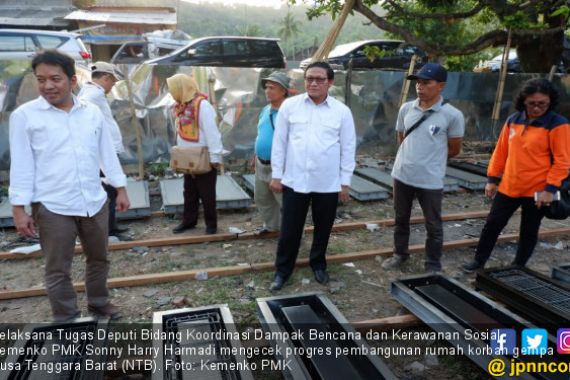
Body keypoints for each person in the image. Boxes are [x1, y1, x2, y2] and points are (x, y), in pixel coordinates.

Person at [9, 50, 130, 321]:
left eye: (55, 79)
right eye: (41, 79)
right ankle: (66, 318)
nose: (48, 86)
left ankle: (99, 303)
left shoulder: (92, 113)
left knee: (99, 258)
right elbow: (22, 165)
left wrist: (119, 187)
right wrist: (19, 208)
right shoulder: (25, 117)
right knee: (57, 268)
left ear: (73, 80)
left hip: (94, 199)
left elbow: (105, 154)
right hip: (53, 205)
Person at [462, 79, 570, 273]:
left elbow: (563, 161)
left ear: (550, 102)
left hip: (538, 190)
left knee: (529, 229)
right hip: (509, 186)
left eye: (542, 104)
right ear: (523, 101)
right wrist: (492, 179)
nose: (537, 108)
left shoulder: (558, 125)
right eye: (532, 103)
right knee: (492, 224)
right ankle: (478, 261)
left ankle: (518, 265)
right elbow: (501, 151)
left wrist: (550, 189)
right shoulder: (513, 120)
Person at [269, 61, 356, 291]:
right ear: (304, 80)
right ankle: (283, 270)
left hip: (327, 182)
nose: (314, 83)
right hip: (295, 180)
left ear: (330, 82)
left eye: (319, 79)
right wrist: (277, 175)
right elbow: (280, 143)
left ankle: (318, 264)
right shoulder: (290, 106)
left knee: (323, 227)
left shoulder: (342, 112)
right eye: (309, 78)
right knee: (290, 229)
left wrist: (344, 182)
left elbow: (348, 148)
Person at [382, 63, 465, 272]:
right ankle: (399, 254)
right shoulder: (406, 108)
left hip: (430, 179)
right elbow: (402, 138)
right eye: (418, 82)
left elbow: (454, 149)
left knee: (433, 225)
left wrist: (430, 160)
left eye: (426, 83)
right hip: (402, 175)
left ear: (441, 86)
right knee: (401, 219)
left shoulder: (452, 115)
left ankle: (433, 264)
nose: (420, 87)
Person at [167, 73, 223, 235]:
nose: (171, 93)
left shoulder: (202, 105)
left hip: (203, 156)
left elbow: (212, 132)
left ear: (181, 88)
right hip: (187, 157)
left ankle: (211, 224)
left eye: (173, 89)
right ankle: (189, 221)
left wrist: (215, 157)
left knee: (207, 193)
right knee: (189, 192)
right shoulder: (180, 106)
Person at [78, 61, 128, 237]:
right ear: (106, 78)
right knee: (109, 193)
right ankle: (108, 231)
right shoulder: (92, 95)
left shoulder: (91, 91)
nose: (112, 85)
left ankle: (111, 227)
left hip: (105, 150)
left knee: (110, 192)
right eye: (112, 82)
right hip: (103, 152)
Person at [252, 72, 290, 235]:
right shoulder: (265, 110)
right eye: (266, 87)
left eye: (272, 88)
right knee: (263, 198)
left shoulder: (290, 112)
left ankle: (293, 235)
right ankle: (272, 226)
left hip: (281, 166)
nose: (267, 91)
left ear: (283, 91)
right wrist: (255, 155)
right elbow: (261, 133)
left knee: (286, 202)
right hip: (262, 163)